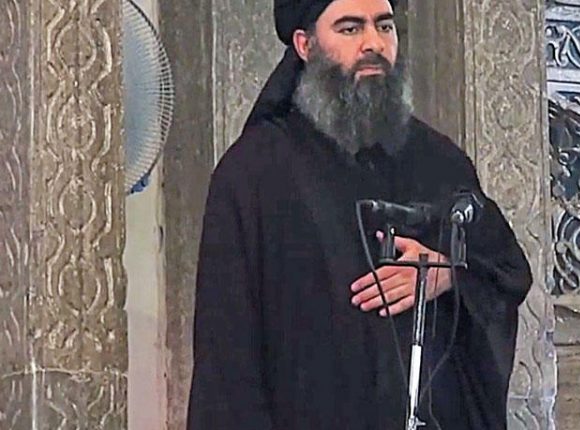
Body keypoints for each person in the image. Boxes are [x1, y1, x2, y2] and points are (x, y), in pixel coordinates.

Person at [186, 0, 532, 428]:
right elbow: (226, 361)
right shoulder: (253, 174)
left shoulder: (440, 161)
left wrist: (448, 274)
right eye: (350, 29)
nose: (374, 43)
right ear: (305, 45)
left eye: (384, 26)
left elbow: (505, 271)